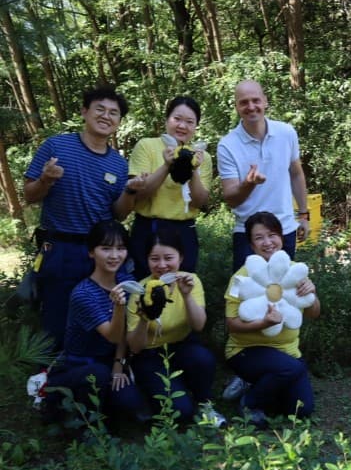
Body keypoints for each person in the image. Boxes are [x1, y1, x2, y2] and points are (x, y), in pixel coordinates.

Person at [23, 85, 147, 350]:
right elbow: (29, 195)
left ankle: (100, 372)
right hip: (60, 248)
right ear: (84, 112)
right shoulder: (56, 146)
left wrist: (130, 191)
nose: (106, 116)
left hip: (101, 252)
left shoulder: (118, 163)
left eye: (113, 113)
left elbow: (119, 214)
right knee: (57, 315)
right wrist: (45, 179)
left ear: (118, 122)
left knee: (106, 311)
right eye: (99, 109)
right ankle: (51, 379)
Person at [224, 211, 320, 428]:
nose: (267, 242)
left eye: (272, 235)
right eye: (259, 238)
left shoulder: (294, 271)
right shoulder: (241, 278)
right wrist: (264, 324)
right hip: (246, 351)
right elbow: (231, 325)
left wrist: (312, 295)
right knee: (292, 369)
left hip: (287, 351)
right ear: (251, 244)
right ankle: (249, 403)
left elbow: (314, 313)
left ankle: (256, 384)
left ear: (281, 237)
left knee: (301, 410)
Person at [43, 221, 144, 425]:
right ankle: (78, 418)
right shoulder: (83, 294)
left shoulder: (127, 281)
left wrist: (119, 366)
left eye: (121, 248)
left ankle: (104, 407)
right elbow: (113, 335)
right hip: (80, 365)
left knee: (129, 403)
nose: (114, 256)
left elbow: (125, 333)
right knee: (97, 375)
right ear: (91, 252)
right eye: (106, 248)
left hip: (111, 360)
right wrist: (119, 307)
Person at [126, 229, 226, 427]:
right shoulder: (139, 290)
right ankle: (147, 392)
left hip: (182, 346)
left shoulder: (191, 281)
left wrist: (187, 295)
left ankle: (204, 403)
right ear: (147, 260)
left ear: (180, 258)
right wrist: (145, 318)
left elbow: (198, 325)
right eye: (155, 259)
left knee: (202, 359)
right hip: (149, 355)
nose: (162, 265)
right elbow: (135, 347)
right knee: (181, 413)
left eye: (168, 258)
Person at [217, 81, 311, 272]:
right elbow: (231, 199)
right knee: (246, 295)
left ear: (265, 101)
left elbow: (296, 174)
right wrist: (249, 184)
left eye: (255, 100)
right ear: (236, 106)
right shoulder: (227, 145)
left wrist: (303, 215)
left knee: (283, 293)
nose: (251, 107)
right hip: (248, 235)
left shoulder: (286, 133)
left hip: (284, 230)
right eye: (244, 102)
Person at [127, 96, 212, 280]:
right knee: (145, 287)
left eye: (190, 122)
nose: (182, 126)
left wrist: (194, 170)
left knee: (183, 286)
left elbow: (201, 202)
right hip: (149, 228)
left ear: (196, 126)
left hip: (184, 231)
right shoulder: (146, 146)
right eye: (177, 119)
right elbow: (139, 194)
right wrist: (166, 166)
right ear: (166, 119)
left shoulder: (202, 155)